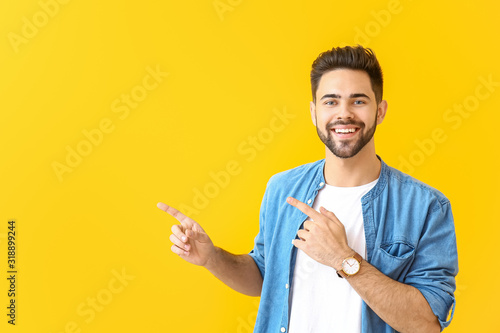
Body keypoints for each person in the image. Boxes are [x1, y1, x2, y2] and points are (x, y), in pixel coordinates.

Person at [157, 45, 458, 333]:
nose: (344, 114)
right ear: (314, 112)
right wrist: (212, 258)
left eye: (358, 100)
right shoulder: (282, 188)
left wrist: (343, 259)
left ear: (380, 111)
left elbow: (427, 323)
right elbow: (265, 277)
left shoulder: (426, 207)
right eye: (331, 101)